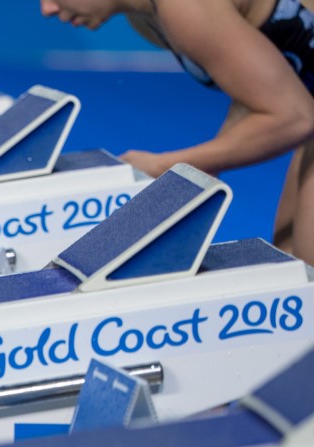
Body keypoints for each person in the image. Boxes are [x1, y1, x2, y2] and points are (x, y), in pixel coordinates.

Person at [38, 0, 314, 264]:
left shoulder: (184, 7)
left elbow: (295, 118)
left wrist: (167, 165)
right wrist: (198, 171)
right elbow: (254, 90)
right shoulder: (145, 19)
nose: (46, 9)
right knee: (290, 256)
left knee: (308, 270)